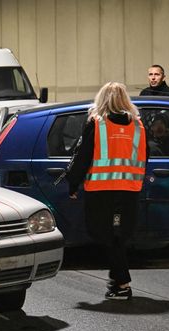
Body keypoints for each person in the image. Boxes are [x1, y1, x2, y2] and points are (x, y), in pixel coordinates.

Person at [66, 82, 147, 300]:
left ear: (101, 100)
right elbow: (143, 157)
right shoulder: (138, 126)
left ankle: (122, 283)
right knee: (118, 236)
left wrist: (73, 183)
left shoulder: (97, 124)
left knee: (104, 235)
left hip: (101, 191)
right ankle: (118, 280)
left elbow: (82, 157)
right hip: (129, 190)